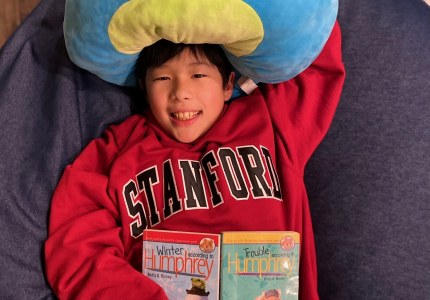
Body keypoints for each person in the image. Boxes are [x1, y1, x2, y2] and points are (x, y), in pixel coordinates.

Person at [45, 21, 345, 300]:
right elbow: (75, 249)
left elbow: (313, 43)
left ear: (228, 84)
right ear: (143, 89)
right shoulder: (117, 150)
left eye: (198, 75)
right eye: (162, 78)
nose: (180, 92)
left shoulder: (271, 117)